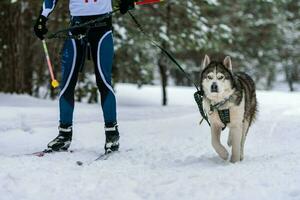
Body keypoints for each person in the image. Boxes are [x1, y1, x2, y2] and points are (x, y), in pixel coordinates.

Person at [34, 0, 135, 154]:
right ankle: (64, 135)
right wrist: (43, 17)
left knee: (103, 81)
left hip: (102, 29)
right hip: (76, 27)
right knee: (67, 82)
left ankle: (112, 134)